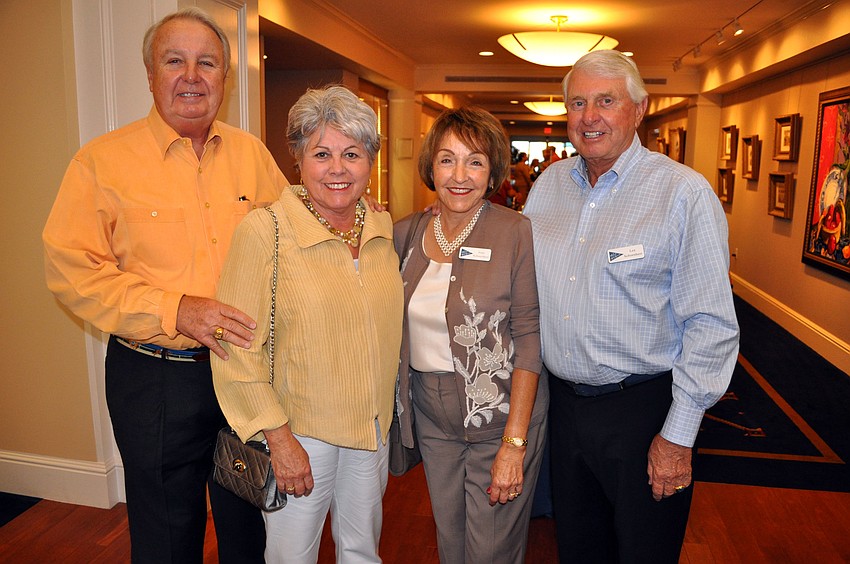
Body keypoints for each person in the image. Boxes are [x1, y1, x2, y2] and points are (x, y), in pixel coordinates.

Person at [42, 8, 288, 563]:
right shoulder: (101, 162)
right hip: (155, 380)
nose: (192, 76)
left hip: (245, 374)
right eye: (174, 61)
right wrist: (175, 309)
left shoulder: (252, 155)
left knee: (249, 531)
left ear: (225, 78)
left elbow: (291, 243)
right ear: (151, 74)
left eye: (207, 63)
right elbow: (72, 270)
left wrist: (352, 216)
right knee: (166, 539)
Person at [523, 50, 740, 563]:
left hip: (644, 413)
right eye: (578, 103)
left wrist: (678, 436)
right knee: (578, 549)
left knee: (645, 552)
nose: (589, 117)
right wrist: (444, 219)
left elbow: (711, 325)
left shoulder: (682, 193)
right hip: (564, 409)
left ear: (639, 110)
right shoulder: (549, 185)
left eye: (606, 101)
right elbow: (515, 272)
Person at [211, 85, 403, 563]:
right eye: (321, 154)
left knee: (362, 552)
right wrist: (278, 438)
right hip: (301, 434)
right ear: (297, 159)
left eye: (352, 154)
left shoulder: (381, 228)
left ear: (370, 162)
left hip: (371, 430)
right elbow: (235, 349)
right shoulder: (266, 231)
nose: (338, 168)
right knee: (292, 557)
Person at [394, 106, 547, 563]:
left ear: (493, 171)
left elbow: (529, 339)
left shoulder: (514, 232)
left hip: (501, 418)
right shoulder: (404, 233)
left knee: (491, 551)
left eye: (474, 161)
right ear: (431, 167)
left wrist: (514, 444)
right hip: (432, 418)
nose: (459, 176)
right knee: (451, 542)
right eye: (447, 160)